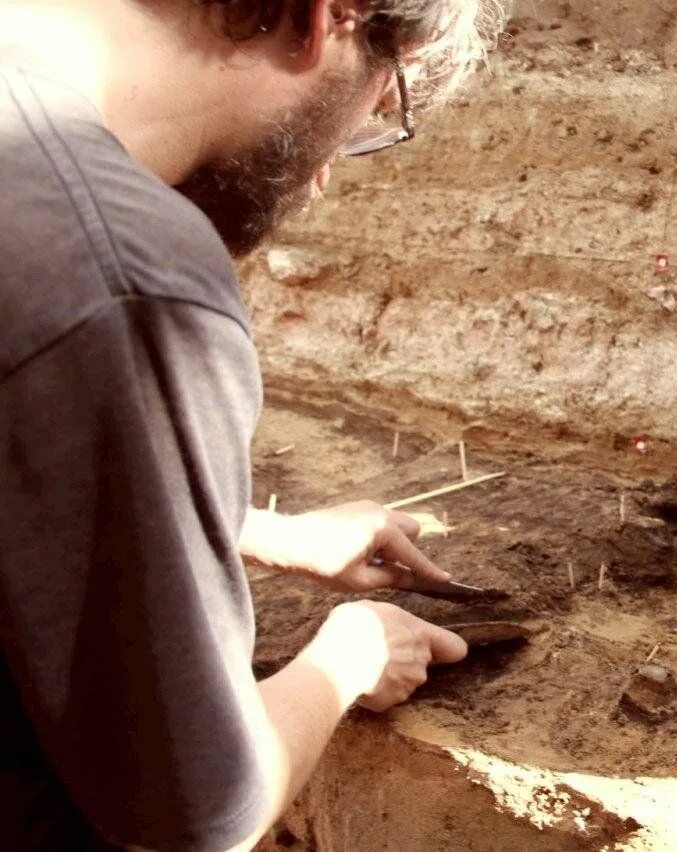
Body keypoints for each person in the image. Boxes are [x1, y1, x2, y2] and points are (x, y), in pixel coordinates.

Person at [0, 0, 500, 847]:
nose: (325, 173)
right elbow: (194, 809)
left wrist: (241, 528)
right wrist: (348, 656)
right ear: (324, 21)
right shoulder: (121, 268)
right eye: (376, 107)